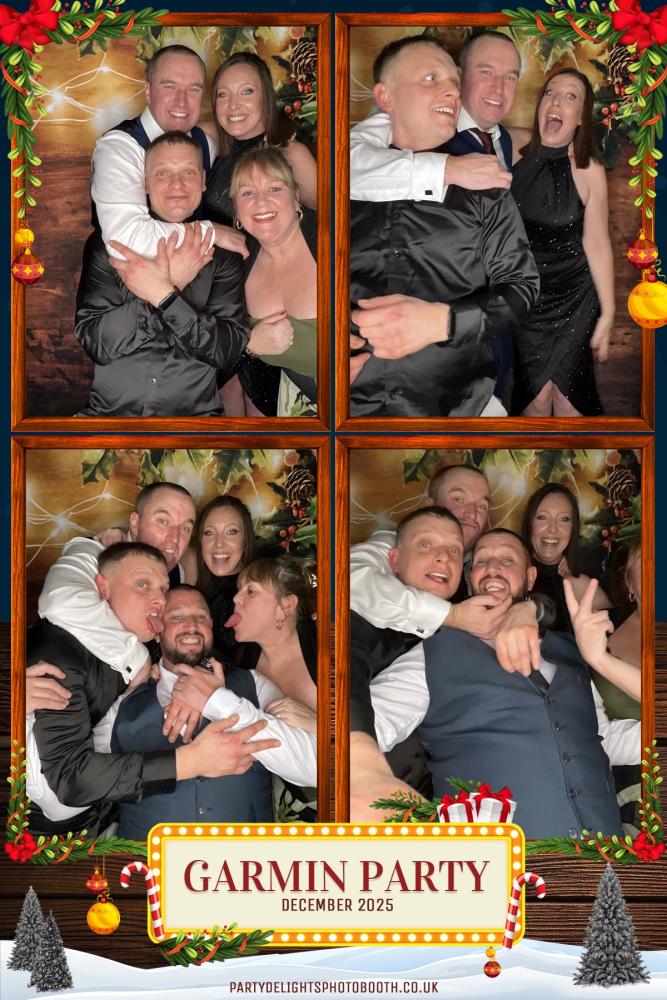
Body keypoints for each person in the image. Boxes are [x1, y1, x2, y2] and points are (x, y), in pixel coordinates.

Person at [364, 530, 626, 838]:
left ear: (530, 578)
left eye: (507, 560)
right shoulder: (434, 654)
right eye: (481, 561)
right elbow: (361, 733)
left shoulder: (575, 649)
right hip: (504, 862)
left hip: (608, 856)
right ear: (470, 577)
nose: (492, 568)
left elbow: (601, 737)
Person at [26, 543, 280, 835]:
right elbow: (69, 786)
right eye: (143, 585)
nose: (158, 599)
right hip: (48, 834)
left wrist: (202, 684)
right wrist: (192, 761)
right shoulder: (66, 656)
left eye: (162, 589)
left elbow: (199, 653)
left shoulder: (142, 662)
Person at [349, 36, 539, 417]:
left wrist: (445, 321)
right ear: (385, 97)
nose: (452, 91)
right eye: (431, 78)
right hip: (349, 410)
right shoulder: (338, 185)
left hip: (462, 411)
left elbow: (522, 290)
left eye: (453, 81)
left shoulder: (486, 186)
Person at [111, 585, 317, 838]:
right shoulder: (124, 702)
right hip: (148, 858)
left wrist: (217, 700)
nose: (191, 625)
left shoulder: (253, 684)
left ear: (210, 626)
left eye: (200, 617)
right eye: (176, 617)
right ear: (157, 630)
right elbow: (84, 785)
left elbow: (315, 768)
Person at [76, 132, 250, 417]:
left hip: (195, 425)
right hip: (110, 418)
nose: (176, 184)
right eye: (162, 173)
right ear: (144, 183)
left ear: (203, 181)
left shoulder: (223, 256)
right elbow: (97, 343)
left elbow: (226, 351)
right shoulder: (109, 246)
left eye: (188, 172)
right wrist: (173, 287)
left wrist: (164, 296)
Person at [202, 51, 317, 416]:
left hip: (276, 297)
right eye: (223, 94)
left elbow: (327, 219)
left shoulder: (290, 152)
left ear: (266, 96)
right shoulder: (215, 150)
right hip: (230, 297)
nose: (233, 105)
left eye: (246, 91)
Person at [172, 556, 318, 819]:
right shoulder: (246, 657)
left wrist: (321, 725)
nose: (236, 599)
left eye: (250, 591)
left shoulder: (328, 645)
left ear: (285, 606)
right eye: (239, 590)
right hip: (287, 806)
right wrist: (185, 678)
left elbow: (377, 723)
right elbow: (204, 658)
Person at [510, 69, 614, 416]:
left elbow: (596, 242)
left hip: (575, 296)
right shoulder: (511, 147)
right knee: (536, 398)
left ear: (580, 117)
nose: (556, 101)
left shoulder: (588, 168)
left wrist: (609, 312)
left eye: (571, 97)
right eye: (550, 93)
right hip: (526, 297)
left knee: (569, 398)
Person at [90, 44, 245, 259]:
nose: (182, 101)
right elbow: (125, 240)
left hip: (200, 277)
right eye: (169, 87)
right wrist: (211, 232)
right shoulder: (118, 148)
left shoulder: (206, 144)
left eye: (194, 89)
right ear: (148, 91)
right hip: (119, 280)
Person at [350, 507, 465, 797]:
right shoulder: (359, 618)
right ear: (394, 560)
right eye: (426, 545)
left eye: (454, 550)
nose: (444, 557)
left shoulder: (466, 629)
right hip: (362, 791)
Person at [35, 482, 197, 685]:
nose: (175, 538)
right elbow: (60, 602)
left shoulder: (178, 574)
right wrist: (138, 661)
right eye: (163, 521)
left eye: (186, 528)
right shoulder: (93, 552)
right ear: (134, 524)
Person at [231, 147, 317, 416]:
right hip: (289, 415)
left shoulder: (336, 243)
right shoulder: (236, 266)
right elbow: (217, 355)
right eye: (248, 193)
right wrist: (250, 347)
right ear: (236, 209)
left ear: (297, 198)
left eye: (275, 188)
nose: (261, 202)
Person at [522, 482, 610, 632]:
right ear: (530, 523)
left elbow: (614, 636)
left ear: (572, 529)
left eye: (564, 519)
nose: (552, 529)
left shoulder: (581, 584)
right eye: (542, 517)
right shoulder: (513, 574)